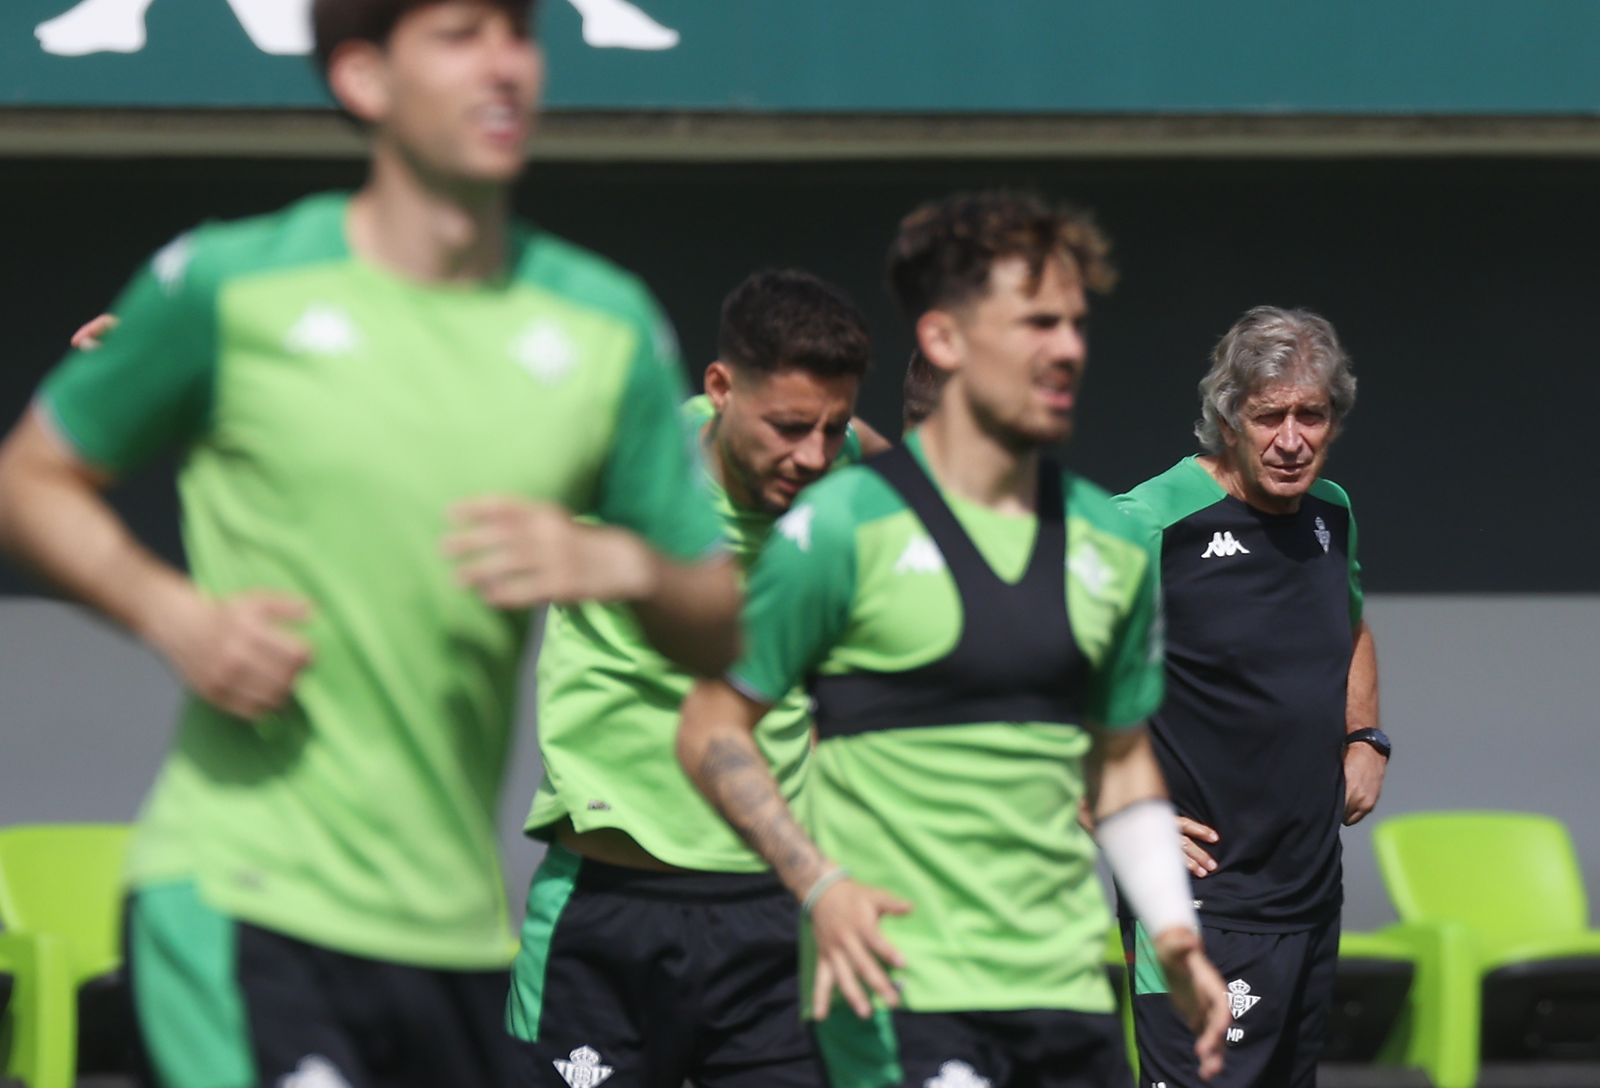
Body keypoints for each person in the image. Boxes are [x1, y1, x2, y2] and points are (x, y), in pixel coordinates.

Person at [0, 1, 738, 1085]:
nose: (503, 66)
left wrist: (621, 564)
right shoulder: (229, 282)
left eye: (518, 34)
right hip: (243, 897)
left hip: (455, 935)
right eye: (457, 35)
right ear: (361, 77)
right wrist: (175, 615)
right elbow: (32, 477)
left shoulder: (603, 324)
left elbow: (721, 613)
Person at [677, 190, 1231, 1088]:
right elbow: (710, 727)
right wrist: (818, 884)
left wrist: (1172, 934)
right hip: (905, 992)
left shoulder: (1110, 543)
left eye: (1076, 323)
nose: (1067, 348)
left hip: (1067, 991)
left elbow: (1122, 761)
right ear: (944, 341)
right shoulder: (841, 527)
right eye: (1035, 322)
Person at [507, 267, 885, 1088]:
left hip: (777, 913)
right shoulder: (621, 458)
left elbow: (915, 479)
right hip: (609, 907)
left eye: (833, 426)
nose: (812, 455)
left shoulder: (845, 467)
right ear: (719, 388)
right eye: (788, 427)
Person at [1114, 305, 1385, 1088]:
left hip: (1308, 899)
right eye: (1271, 416)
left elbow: (1355, 627)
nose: (1293, 439)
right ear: (1229, 415)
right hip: (1196, 909)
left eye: (1314, 414)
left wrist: (1365, 735)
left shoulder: (1332, 514)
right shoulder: (1149, 523)